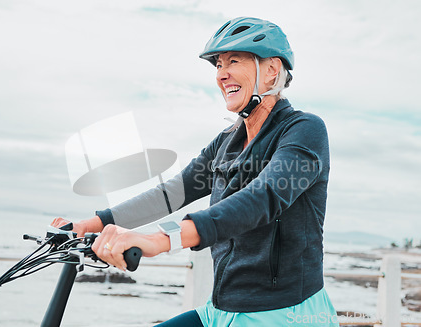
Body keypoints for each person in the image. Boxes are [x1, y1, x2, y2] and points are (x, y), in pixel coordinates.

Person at [52, 17, 339, 326]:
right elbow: (172, 194)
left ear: (271, 71)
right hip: (221, 309)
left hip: (284, 315)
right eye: (218, 65)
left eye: (234, 61)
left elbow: (263, 198)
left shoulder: (304, 130)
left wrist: (162, 240)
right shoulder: (227, 142)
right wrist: (88, 224)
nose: (222, 74)